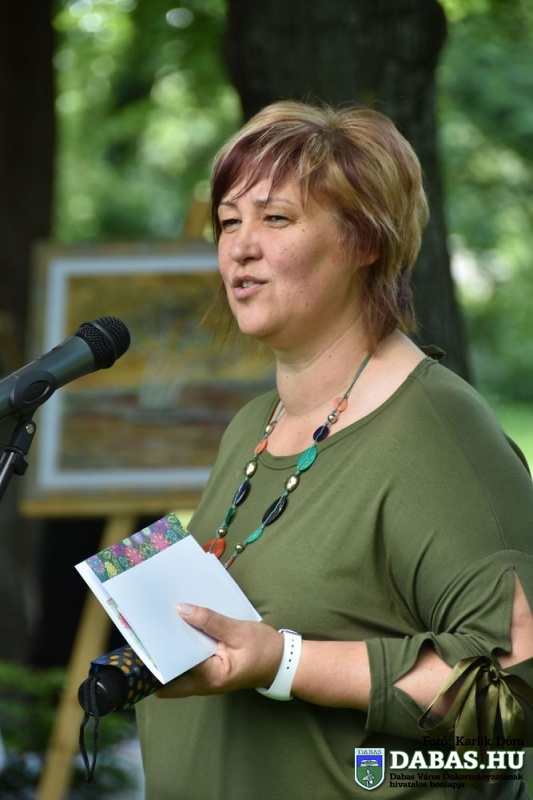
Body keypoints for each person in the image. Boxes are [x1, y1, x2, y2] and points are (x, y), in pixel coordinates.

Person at [136, 100, 533, 799]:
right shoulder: (251, 426)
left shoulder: (439, 432)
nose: (240, 247)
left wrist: (286, 663)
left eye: (275, 218)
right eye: (228, 221)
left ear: (364, 240)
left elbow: (512, 699)